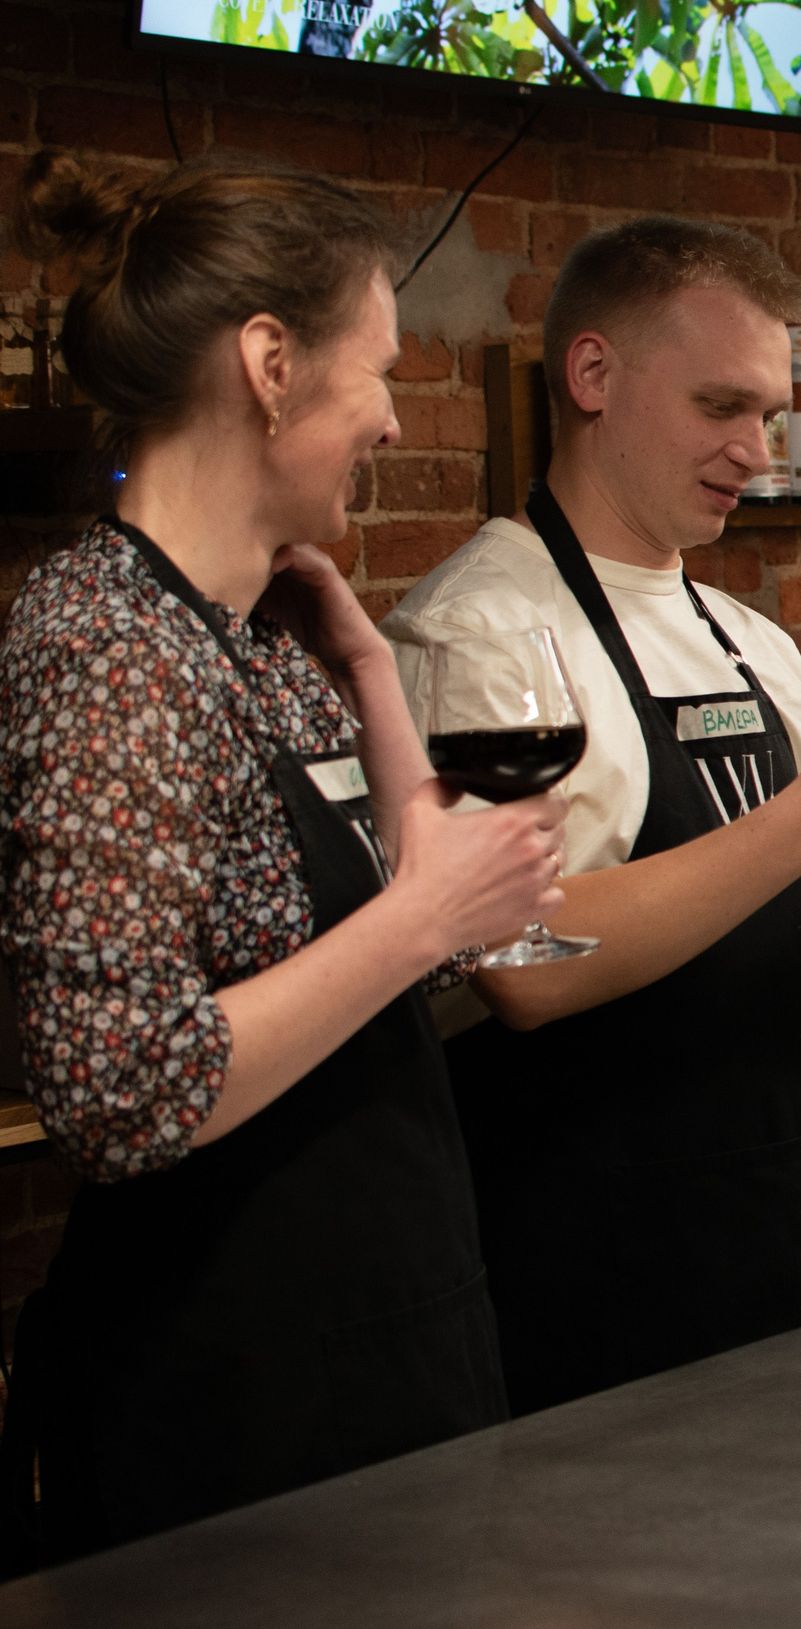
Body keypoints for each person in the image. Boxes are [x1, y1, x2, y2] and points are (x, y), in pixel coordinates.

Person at [0, 152, 567, 1565]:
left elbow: (415, 925)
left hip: (381, 1343)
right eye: (374, 367)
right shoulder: (107, 646)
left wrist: (373, 670)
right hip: (227, 1402)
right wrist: (423, 912)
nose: (390, 411)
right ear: (268, 363)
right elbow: (116, 1087)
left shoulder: (265, 633)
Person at [381, 218, 801, 1414]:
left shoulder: (751, 642)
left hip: (779, 1239)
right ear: (592, 376)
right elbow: (523, 965)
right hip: (581, 1267)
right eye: (721, 407)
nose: (755, 450)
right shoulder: (476, 630)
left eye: (770, 417)